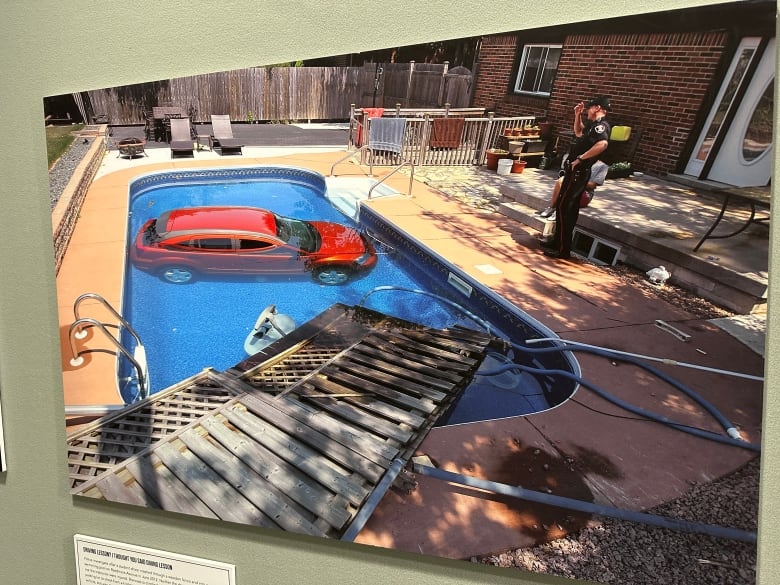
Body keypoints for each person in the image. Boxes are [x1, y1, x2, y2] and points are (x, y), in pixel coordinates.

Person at [542, 96, 611, 259]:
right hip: (574, 171)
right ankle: (558, 242)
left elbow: (603, 144)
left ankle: (562, 249)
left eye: (589, 108)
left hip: (579, 171)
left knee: (565, 208)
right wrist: (577, 115)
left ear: (597, 108)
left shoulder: (602, 126)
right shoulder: (592, 126)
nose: (587, 110)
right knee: (564, 207)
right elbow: (579, 133)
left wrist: (580, 158)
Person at [536, 158, 608, 222]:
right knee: (561, 180)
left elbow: (593, 185)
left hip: (585, 193)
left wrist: (577, 181)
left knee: (569, 184)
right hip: (573, 188)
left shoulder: (602, 166)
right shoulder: (583, 160)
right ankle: (552, 207)